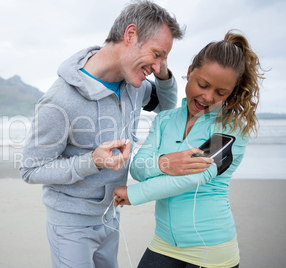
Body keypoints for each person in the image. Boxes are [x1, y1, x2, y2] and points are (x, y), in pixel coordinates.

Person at [20, 1, 187, 267]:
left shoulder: (135, 85)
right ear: (130, 35)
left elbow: (167, 108)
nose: (157, 67)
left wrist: (164, 71)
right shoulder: (59, 100)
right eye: (156, 54)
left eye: (163, 58)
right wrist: (93, 161)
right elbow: (30, 169)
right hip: (71, 226)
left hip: (111, 217)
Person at [113, 29, 265, 267]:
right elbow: (139, 168)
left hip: (212, 251)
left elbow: (193, 177)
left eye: (220, 93)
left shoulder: (233, 128)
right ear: (189, 72)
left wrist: (133, 194)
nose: (207, 96)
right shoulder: (164, 120)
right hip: (163, 243)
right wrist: (166, 162)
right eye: (202, 84)